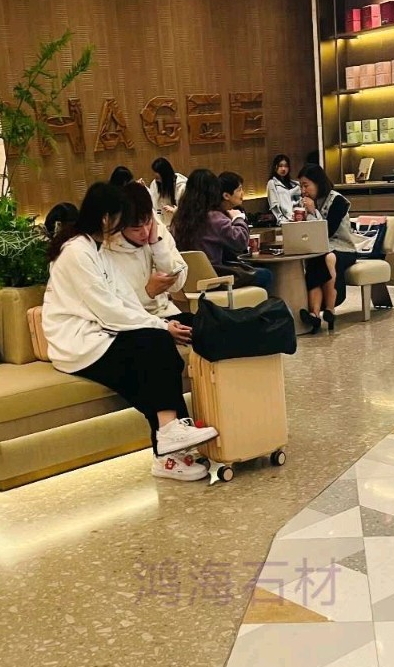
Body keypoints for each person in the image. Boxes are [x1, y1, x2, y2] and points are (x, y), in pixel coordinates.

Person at [43, 181, 216, 482]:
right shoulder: (76, 253)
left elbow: (123, 299)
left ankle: (168, 445)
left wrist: (161, 324)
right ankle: (169, 439)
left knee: (159, 353)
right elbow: (109, 310)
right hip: (79, 343)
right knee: (154, 347)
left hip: (102, 331)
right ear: (107, 219)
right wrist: (161, 326)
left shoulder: (95, 248)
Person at [172, 168, 272, 293]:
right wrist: (238, 218)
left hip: (188, 282)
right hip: (215, 279)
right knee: (266, 274)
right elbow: (240, 242)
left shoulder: (179, 219)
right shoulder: (213, 217)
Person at [105, 181, 188, 319]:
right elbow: (111, 310)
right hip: (134, 321)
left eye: (148, 222)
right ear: (120, 225)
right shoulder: (106, 249)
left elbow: (177, 286)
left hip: (167, 312)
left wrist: (157, 245)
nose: (145, 232)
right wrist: (148, 292)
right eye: (136, 229)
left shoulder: (159, 232)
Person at [298, 163, 357, 333]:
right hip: (321, 249)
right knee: (315, 260)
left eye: (306, 185)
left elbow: (327, 231)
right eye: (301, 186)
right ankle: (315, 314)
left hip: (343, 248)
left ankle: (330, 308)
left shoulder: (338, 201)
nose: (303, 190)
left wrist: (313, 212)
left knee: (328, 257)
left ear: (318, 183)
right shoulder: (307, 202)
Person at [149, 158, 187, 223]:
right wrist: (159, 218)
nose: (156, 180)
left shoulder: (181, 187)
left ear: (165, 175)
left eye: (158, 178)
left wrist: (176, 211)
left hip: (179, 223)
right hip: (163, 223)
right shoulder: (155, 184)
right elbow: (156, 208)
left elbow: (187, 211)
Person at [266, 153, 301, 223]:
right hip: (284, 221)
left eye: (286, 166)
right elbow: (274, 205)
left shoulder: (294, 183)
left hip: (297, 218)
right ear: (275, 167)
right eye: (280, 166)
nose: (283, 169)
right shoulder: (272, 183)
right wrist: (281, 220)